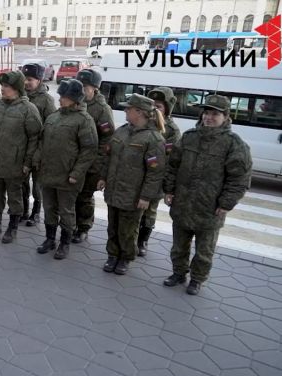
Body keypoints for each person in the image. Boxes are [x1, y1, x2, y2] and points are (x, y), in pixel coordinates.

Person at [163, 94, 252, 295]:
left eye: (214, 114)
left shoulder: (233, 144)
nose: (208, 117)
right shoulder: (189, 137)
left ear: (226, 116)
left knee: (204, 251)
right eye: (206, 113)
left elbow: (239, 179)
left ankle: (197, 279)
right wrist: (169, 190)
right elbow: (173, 166)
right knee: (179, 247)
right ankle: (178, 273)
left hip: (210, 208)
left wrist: (226, 203)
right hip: (183, 204)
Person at [97, 94, 166, 275]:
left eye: (129, 108)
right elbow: (109, 157)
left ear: (140, 112)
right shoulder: (121, 131)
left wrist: (146, 197)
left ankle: (125, 258)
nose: (125, 110)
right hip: (114, 190)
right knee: (113, 226)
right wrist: (103, 177)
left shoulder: (153, 139)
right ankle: (112, 255)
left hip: (133, 195)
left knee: (127, 230)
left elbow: (155, 172)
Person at [0, 70, 42, 244]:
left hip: (15, 165)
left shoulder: (29, 110)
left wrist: (28, 162)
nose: (3, 89)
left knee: (15, 197)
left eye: (7, 86)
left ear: (17, 89)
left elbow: (35, 138)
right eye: (2, 86)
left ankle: (12, 228)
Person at [35, 79, 98, 260]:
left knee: (66, 211)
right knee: (49, 208)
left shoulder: (84, 120)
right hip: (48, 174)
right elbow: (42, 142)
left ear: (75, 99)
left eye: (65, 97)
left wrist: (76, 174)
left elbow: (89, 151)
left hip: (67, 177)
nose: (61, 99)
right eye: (61, 96)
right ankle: (49, 239)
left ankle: (64, 243)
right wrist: (37, 161)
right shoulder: (54, 117)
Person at [137, 87, 182, 256]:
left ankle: (142, 240)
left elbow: (171, 158)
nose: (155, 110)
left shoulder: (171, 130)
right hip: (138, 175)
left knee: (149, 211)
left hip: (156, 177)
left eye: (159, 107)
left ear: (167, 109)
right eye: (153, 106)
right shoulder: (143, 122)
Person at [73, 68, 115, 243]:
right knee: (72, 195)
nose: (82, 90)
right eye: (80, 85)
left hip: (91, 161)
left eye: (85, 86)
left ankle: (83, 227)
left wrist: (97, 163)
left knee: (85, 196)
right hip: (74, 159)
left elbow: (107, 139)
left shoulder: (102, 109)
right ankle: (71, 223)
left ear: (95, 88)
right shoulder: (75, 102)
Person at [22, 63, 57, 226]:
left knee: (37, 185)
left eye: (30, 79)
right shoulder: (21, 96)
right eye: (25, 79)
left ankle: (35, 213)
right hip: (22, 148)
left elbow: (50, 127)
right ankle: (23, 210)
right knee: (22, 182)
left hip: (38, 149)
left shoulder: (46, 100)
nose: (26, 82)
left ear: (39, 80)